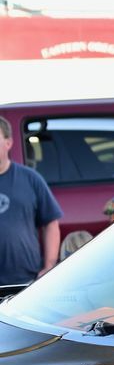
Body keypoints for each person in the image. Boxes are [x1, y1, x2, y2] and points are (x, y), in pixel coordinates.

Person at [0, 119, 61, 285]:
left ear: (8, 143)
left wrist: (49, 266)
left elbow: (50, 223)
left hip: (26, 281)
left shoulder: (30, 179)